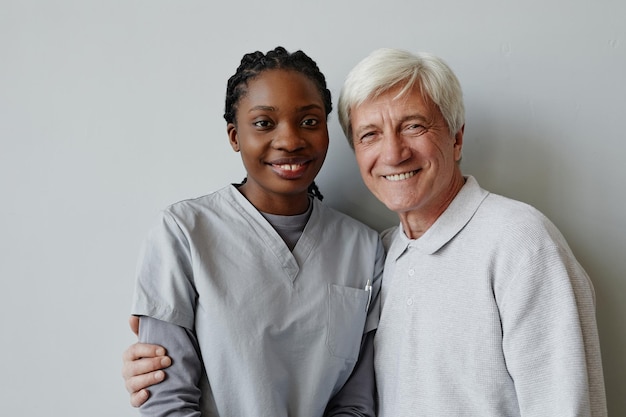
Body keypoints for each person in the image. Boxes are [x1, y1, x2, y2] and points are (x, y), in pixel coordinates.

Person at [123, 48, 608, 416]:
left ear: (457, 137)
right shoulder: (385, 254)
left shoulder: (519, 241)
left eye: (414, 126)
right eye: (370, 134)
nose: (393, 153)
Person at [125, 46, 384, 417]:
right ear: (234, 136)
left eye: (309, 121)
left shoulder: (364, 247)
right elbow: (166, 402)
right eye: (264, 123)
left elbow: (356, 403)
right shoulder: (182, 233)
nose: (290, 140)